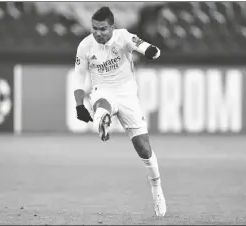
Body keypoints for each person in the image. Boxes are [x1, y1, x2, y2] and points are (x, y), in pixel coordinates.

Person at [73, 6, 166, 217]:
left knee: (144, 149)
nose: (97, 33)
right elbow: (79, 78)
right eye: (94, 28)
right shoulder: (85, 46)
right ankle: (101, 117)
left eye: (103, 29)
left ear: (112, 27)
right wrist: (79, 105)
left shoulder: (123, 37)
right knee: (100, 101)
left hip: (126, 93)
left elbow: (145, 46)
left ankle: (157, 189)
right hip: (102, 90)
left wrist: (152, 52)